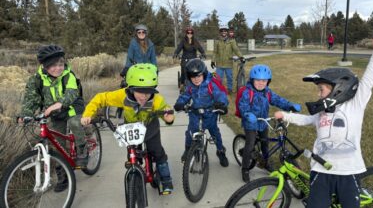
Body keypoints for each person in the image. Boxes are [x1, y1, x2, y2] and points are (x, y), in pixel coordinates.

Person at [274, 38, 373, 208]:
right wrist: (285, 115)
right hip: (321, 172)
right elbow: (306, 119)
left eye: (321, 89)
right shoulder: (322, 111)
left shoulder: (354, 106)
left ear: (338, 88)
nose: (319, 94)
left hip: (348, 172)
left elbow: (368, 81)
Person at [81, 63, 175, 193]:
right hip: (131, 128)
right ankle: (135, 169)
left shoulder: (156, 100)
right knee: (132, 155)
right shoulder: (122, 96)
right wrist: (87, 115)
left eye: (148, 92)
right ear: (130, 88)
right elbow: (100, 98)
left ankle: (166, 179)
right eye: (140, 92)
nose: (144, 96)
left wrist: (168, 117)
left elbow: (166, 110)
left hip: (150, 127)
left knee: (158, 153)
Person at [18, 44, 87, 191]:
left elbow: (72, 93)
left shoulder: (69, 75)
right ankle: (63, 176)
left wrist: (58, 105)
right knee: (57, 144)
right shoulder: (37, 79)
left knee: (75, 123)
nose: (58, 68)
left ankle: (82, 150)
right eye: (53, 66)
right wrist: (25, 114)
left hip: (72, 107)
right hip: (55, 113)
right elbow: (31, 98)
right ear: (44, 66)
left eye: (60, 64)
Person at [238, 64, 302, 183]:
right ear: (252, 80)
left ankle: (265, 162)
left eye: (264, 80)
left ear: (268, 81)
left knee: (265, 143)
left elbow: (278, 100)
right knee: (250, 144)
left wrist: (290, 105)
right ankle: (245, 168)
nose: (261, 83)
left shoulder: (267, 92)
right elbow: (243, 106)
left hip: (263, 122)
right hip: (250, 122)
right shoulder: (247, 93)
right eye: (258, 80)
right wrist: (247, 114)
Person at [173, 58, 229, 167]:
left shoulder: (210, 85)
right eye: (193, 77)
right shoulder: (190, 87)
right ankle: (188, 150)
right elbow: (184, 96)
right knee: (190, 133)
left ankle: (221, 151)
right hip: (195, 115)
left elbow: (220, 94)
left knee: (215, 134)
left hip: (210, 114)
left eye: (198, 76)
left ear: (204, 74)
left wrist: (221, 104)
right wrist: (179, 103)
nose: (196, 79)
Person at [211, 25, 244, 94]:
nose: (224, 32)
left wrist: (241, 57)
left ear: (227, 32)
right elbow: (215, 52)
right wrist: (213, 61)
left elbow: (236, 50)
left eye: (225, 31)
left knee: (230, 78)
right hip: (219, 64)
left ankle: (229, 90)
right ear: (220, 32)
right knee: (218, 79)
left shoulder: (231, 41)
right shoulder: (217, 41)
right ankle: (218, 90)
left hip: (228, 64)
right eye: (222, 31)